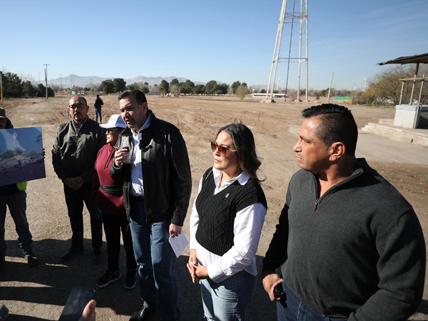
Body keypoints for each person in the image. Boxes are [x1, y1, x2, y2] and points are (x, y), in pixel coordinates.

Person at [262, 104, 426, 321]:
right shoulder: (300, 181)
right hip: (287, 303)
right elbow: (285, 229)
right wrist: (269, 270)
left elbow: (401, 293)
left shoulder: (389, 209)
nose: (296, 147)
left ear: (336, 150)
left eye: (306, 141)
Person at [111, 90, 191, 321]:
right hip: (135, 210)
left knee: (160, 266)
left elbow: (183, 179)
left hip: (161, 212)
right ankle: (149, 304)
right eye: (122, 110)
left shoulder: (168, 133)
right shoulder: (125, 136)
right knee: (143, 264)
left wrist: (177, 217)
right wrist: (116, 165)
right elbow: (117, 175)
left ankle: (169, 315)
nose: (125, 114)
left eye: (129, 108)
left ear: (144, 107)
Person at [188, 123, 267, 321]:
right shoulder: (209, 175)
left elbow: (244, 253)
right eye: (214, 145)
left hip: (231, 280)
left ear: (241, 153)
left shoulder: (250, 195)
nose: (216, 151)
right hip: (203, 267)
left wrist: (209, 272)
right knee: (209, 317)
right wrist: (193, 251)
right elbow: (197, 214)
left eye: (223, 148)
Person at [0, 106, 38, 277]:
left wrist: (36, 156)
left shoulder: (16, 136)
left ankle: (28, 252)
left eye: (1, 119)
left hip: (16, 190)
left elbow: (25, 152)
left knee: (22, 223)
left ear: (5, 119)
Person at [52, 96, 105, 263]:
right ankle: (77, 246)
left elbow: (101, 159)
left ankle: (97, 248)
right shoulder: (62, 130)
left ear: (87, 108)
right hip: (69, 184)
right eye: (72, 106)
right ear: (68, 110)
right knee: (74, 215)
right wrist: (65, 178)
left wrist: (83, 178)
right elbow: (55, 156)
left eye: (80, 106)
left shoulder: (98, 130)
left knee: (96, 216)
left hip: (91, 184)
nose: (76, 109)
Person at [92, 114, 137, 289]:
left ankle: (132, 270)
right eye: (106, 129)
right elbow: (95, 173)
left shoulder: (129, 151)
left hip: (124, 208)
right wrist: (96, 194)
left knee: (129, 242)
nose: (106, 132)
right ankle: (113, 271)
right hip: (106, 207)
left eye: (110, 130)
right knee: (111, 241)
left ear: (122, 132)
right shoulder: (103, 149)